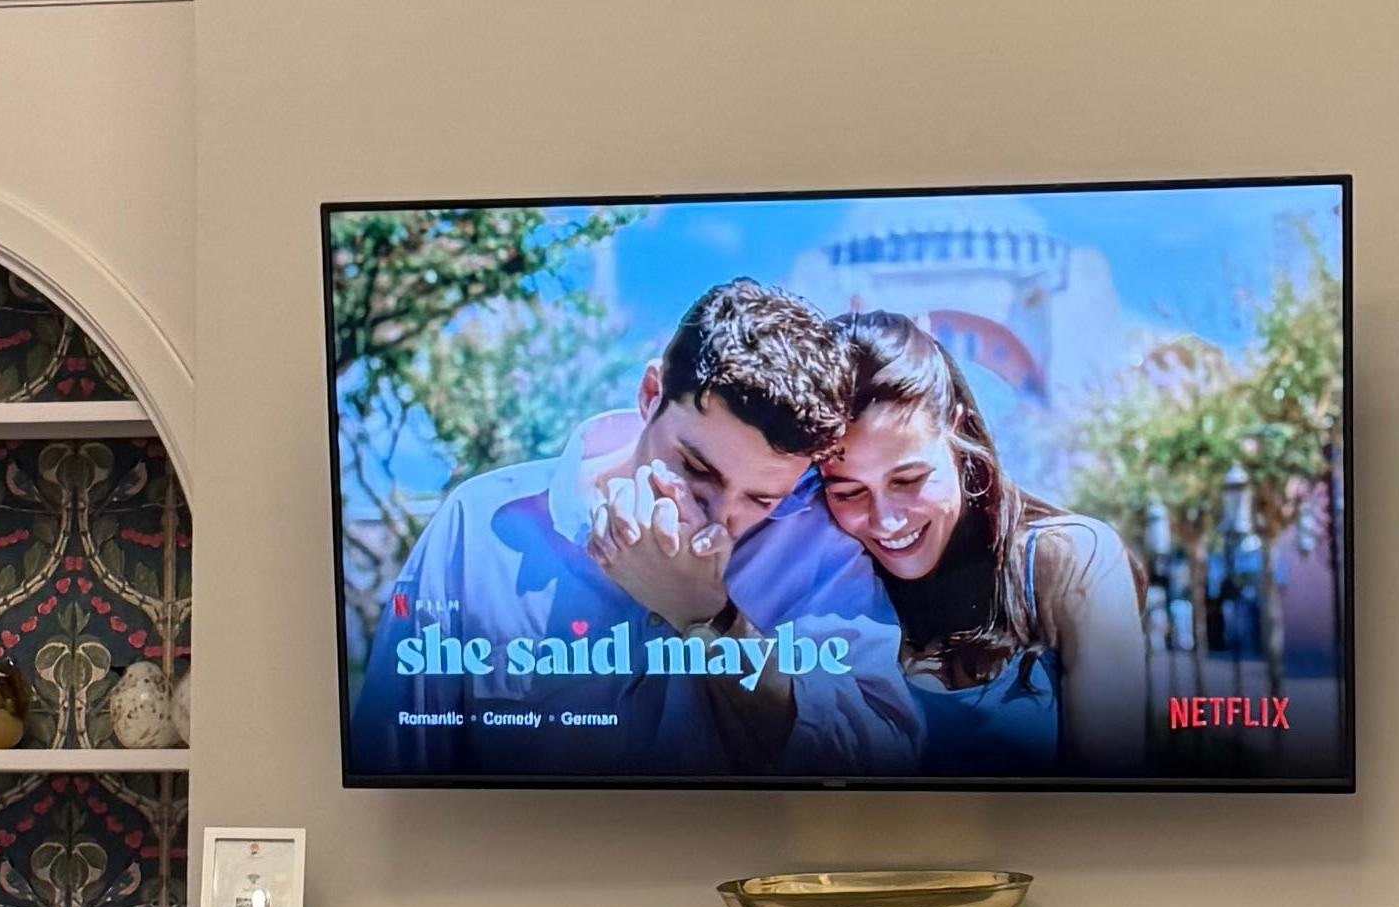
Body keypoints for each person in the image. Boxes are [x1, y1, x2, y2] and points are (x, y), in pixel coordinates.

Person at [351, 279, 920, 781]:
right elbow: (395, 763)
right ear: (651, 395)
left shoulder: (815, 551)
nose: (719, 517)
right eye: (696, 469)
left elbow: (882, 761)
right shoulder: (480, 525)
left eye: (760, 499)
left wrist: (711, 620)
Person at [810, 310, 1152, 774]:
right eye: (848, 492)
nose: (886, 520)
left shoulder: (1070, 562)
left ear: (956, 431)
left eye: (908, 480)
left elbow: (1110, 791)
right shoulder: (824, 581)